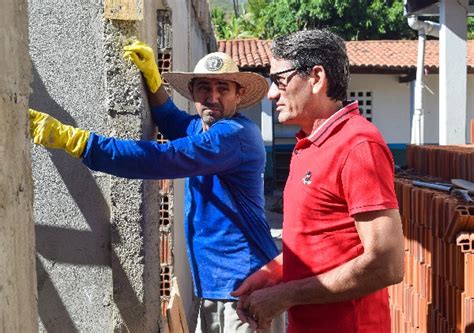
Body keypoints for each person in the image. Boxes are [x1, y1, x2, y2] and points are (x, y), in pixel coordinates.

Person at [29, 40, 283, 332]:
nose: (212, 97)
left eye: (223, 88)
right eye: (204, 88)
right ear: (193, 94)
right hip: (219, 281)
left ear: (239, 96)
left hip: (245, 281)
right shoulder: (204, 128)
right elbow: (171, 120)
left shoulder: (234, 135)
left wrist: (79, 142)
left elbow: (165, 157)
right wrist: (152, 79)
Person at [231, 29, 405, 332]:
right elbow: (323, 241)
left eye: (279, 80)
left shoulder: (358, 145)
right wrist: (275, 271)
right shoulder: (309, 144)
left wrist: (285, 295)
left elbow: (386, 265)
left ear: (316, 77)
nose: (272, 93)